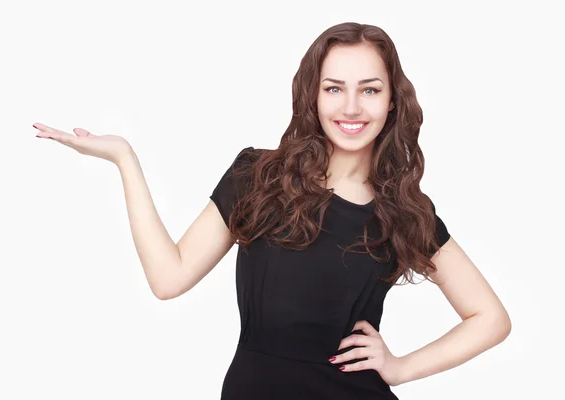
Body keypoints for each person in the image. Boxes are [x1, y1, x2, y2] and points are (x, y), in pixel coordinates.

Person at [33, 22, 511, 400]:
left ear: (391, 103)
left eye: (369, 90)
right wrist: (124, 158)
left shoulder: (404, 211)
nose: (351, 106)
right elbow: (168, 277)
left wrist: (401, 367)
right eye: (333, 88)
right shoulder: (257, 177)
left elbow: (490, 318)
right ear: (312, 95)